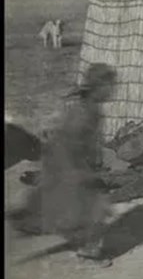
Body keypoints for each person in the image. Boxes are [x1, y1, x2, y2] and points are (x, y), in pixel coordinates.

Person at [21, 63, 117, 264]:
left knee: (79, 206)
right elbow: (68, 142)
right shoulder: (84, 112)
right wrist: (75, 171)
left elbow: (88, 143)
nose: (113, 90)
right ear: (98, 87)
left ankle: (84, 243)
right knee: (83, 207)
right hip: (65, 161)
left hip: (73, 163)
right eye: (110, 85)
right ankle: (87, 246)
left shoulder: (92, 109)